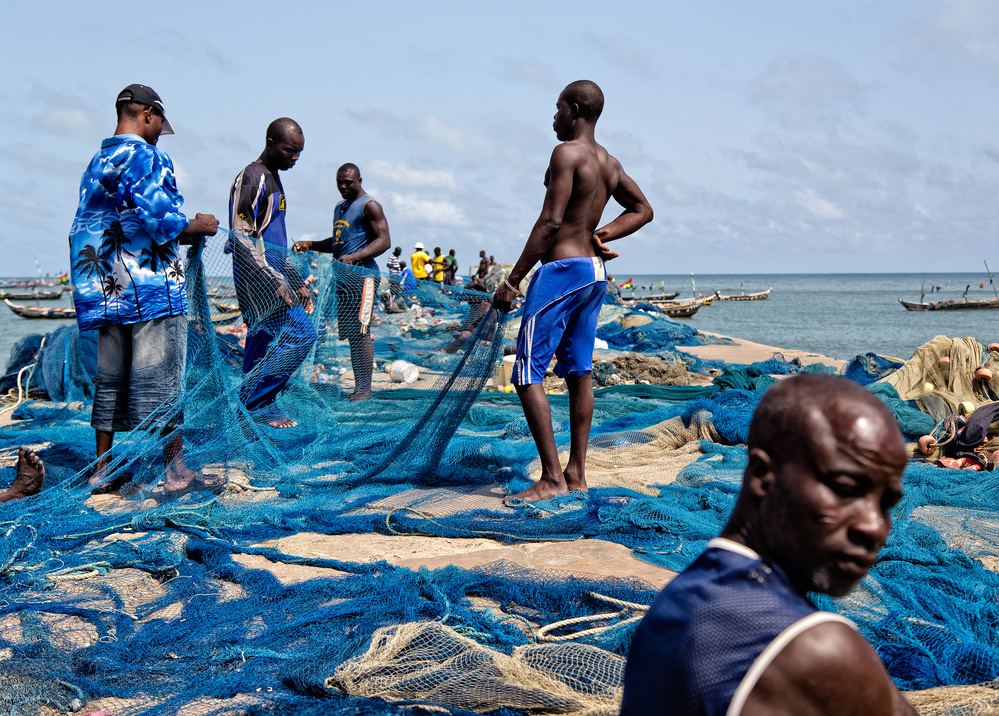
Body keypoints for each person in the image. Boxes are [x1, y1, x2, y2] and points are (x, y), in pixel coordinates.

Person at [620, 374, 915, 716]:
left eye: (886, 504)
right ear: (762, 475)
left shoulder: (673, 604)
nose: (875, 527)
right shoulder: (818, 649)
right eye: (846, 488)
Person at [492, 80, 653, 502]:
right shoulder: (609, 162)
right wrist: (605, 233)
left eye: (558, 108)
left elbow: (549, 223)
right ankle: (577, 474)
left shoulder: (567, 153)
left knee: (527, 373)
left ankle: (551, 478)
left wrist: (512, 281)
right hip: (594, 273)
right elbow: (643, 210)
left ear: (576, 110)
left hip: (562, 272)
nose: (554, 117)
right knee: (580, 372)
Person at [70, 84, 221, 496]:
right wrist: (201, 225)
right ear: (149, 115)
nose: (159, 132)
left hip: (106, 288)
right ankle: (175, 472)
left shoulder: (97, 161)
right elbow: (163, 223)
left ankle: (101, 470)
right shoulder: (147, 156)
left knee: (110, 381)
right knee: (164, 379)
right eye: (158, 124)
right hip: (149, 289)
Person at [228, 118, 317, 429]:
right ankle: (259, 404)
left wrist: (293, 278)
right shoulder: (252, 177)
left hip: (276, 276)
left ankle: (246, 409)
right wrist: (276, 280)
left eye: (299, 154)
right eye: (289, 151)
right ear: (270, 144)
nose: (294, 158)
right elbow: (242, 235)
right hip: (259, 281)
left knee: (261, 339)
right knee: (303, 334)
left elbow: (274, 239)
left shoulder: (275, 179)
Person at [293, 163, 390, 401]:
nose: (344, 187)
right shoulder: (340, 207)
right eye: (340, 183)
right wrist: (311, 244)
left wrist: (355, 257)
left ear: (359, 181)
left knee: (362, 330)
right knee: (351, 333)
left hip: (363, 277)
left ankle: (365, 390)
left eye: (348, 182)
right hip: (343, 279)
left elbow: (384, 240)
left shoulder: (370, 205)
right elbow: (338, 243)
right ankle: (358, 388)